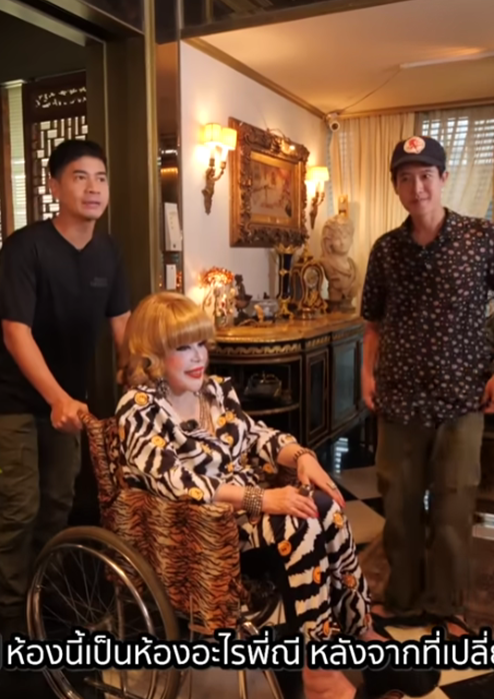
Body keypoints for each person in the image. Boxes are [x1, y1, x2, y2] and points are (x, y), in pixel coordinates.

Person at [115, 292, 407, 699]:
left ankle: (361, 633)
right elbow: (175, 482)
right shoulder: (139, 409)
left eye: (200, 343)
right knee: (300, 524)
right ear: (153, 354)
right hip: (205, 531)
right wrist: (261, 499)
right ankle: (319, 674)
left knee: (327, 505)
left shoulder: (215, 392)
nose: (198, 356)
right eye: (183, 347)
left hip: (251, 517)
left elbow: (257, 436)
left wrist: (302, 457)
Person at [360, 136, 494, 638]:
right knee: (399, 506)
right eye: (406, 178)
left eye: (426, 176)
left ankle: (448, 606)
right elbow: (373, 323)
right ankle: (403, 600)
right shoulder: (386, 250)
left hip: (461, 398)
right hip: (399, 398)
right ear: (396, 187)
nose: (417, 187)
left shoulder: (482, 237)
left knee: (454, 506)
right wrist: (367, 375)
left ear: (443, 179)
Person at [0, 138, 131, 637]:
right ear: (54, 186)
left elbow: (123, 327)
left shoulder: (108, 252)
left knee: (57, 504)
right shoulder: (27, 247)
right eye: (80, 177)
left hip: (68, 404)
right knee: (18, 509)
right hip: (13, 401)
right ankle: (10, 620)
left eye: (100, 178)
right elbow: (15, 333)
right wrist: (58, 397)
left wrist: (142, 376)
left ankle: (44, 597)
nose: (93, 188)